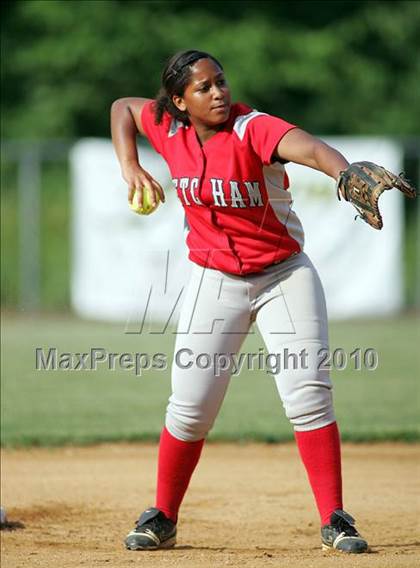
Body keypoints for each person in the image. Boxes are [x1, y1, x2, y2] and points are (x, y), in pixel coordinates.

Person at [110, 49, 369, 554]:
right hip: (214, 279)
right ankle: (162, 515)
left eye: (221, 81)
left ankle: (335, 519)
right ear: (180, 102)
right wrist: (130, 166)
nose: (218, 93)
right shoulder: (167, 128)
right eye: (203, 88)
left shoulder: (253, 128)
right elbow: (122, 107)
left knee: (308, 393)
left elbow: (311, 148)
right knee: (190, 405)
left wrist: (344, 172)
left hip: (283, 275)